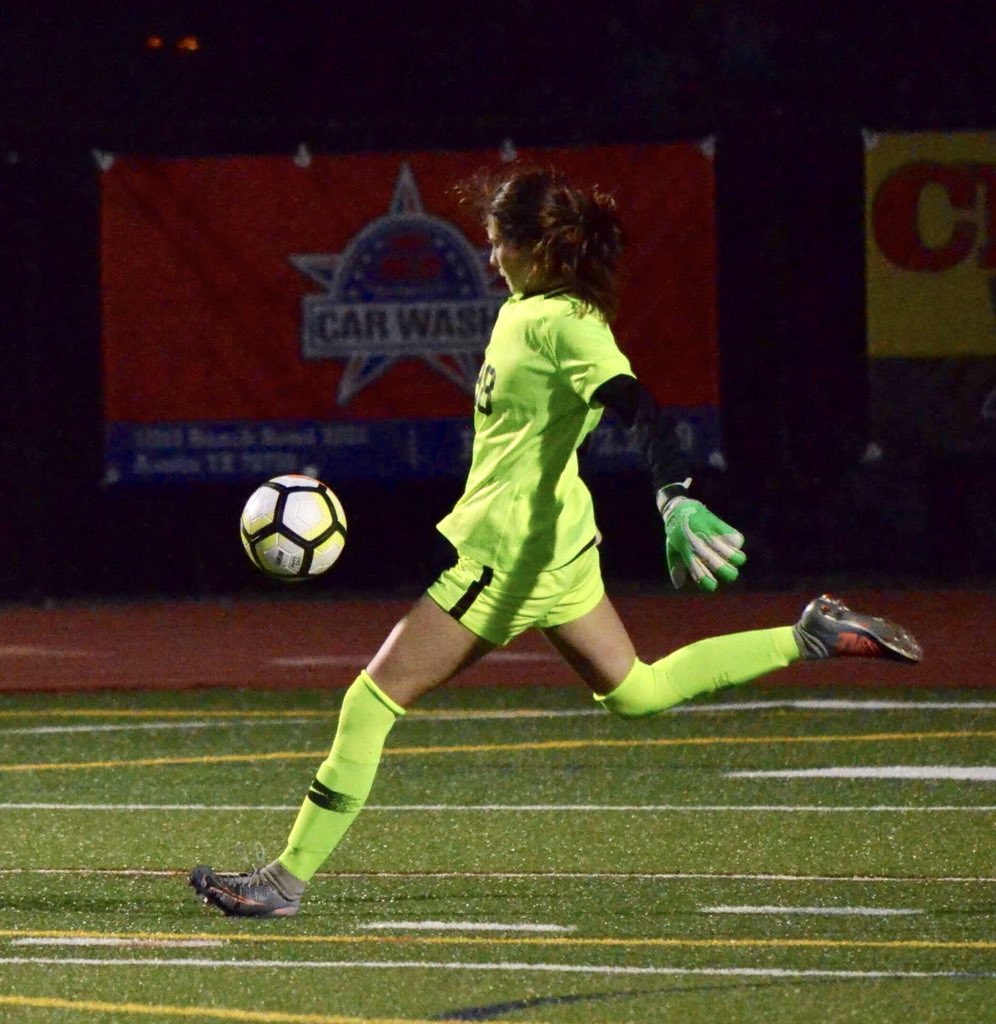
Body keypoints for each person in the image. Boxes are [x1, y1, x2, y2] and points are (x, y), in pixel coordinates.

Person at [190, 166, 921, 917]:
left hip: (508, 560)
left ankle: (283, 883)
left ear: (532, 246)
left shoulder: (561, 322)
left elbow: (637, 404)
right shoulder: (531, 308)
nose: (490, 257)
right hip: (560, 549)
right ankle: (808, 636)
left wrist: (673, 497)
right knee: (638, 692)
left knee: (370, 702)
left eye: (497, 242)